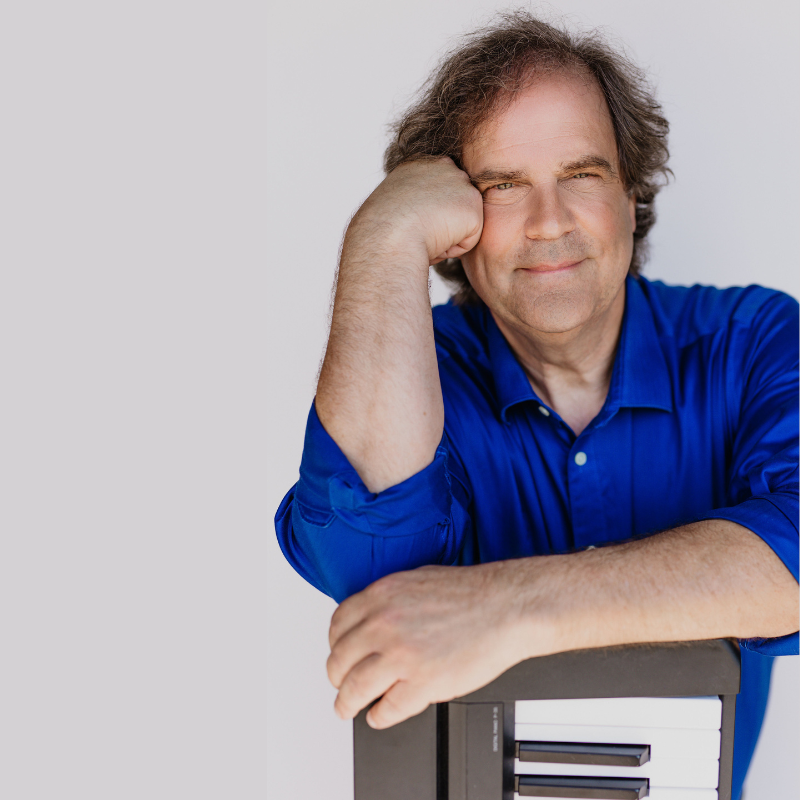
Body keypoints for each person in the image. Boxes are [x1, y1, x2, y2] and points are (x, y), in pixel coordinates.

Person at [274, 12, 798, 798]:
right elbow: (366, 562)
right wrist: (382, 235)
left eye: (583, 174)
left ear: (630, 196)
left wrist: (507, 609)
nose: (550, 223)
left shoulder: (754, 340)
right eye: (502, 186)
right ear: (454, 228)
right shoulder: (414, 372)